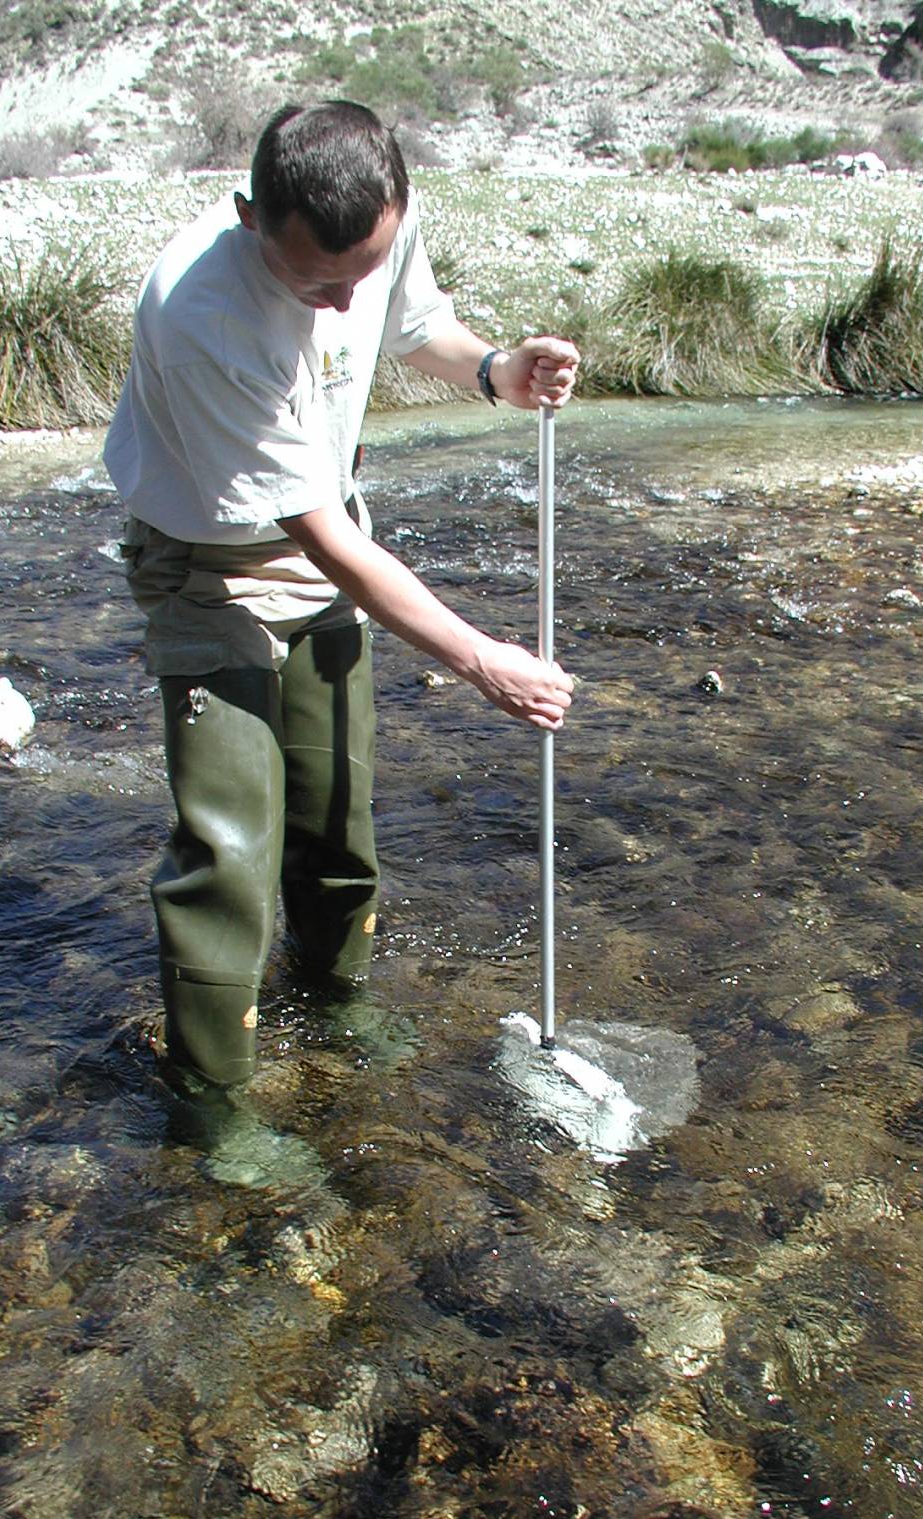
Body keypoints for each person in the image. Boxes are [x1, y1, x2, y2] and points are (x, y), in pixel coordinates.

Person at [104, 100, 578, 1090]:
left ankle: (335, 1007)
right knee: (228, 853)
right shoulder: (203, 315)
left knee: (336, 827)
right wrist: (482, 660)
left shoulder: (376, 223)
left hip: (328, 541)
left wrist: (496, 371)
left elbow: (416, 325)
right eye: (311, 280)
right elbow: (318, 539)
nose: (336, 301)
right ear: (249, 217)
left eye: (356, 272)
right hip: (209, 567)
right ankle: (214, 1105)